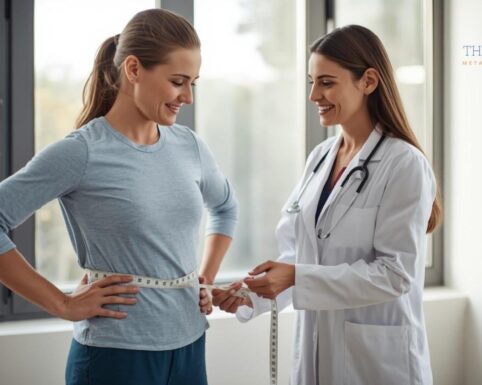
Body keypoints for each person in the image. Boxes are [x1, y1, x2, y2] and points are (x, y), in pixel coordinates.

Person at [0, 8, 238, 385]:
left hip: (190, 344)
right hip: (115, 355)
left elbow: (225, 208)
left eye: (193, 82)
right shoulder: (82, 152)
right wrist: (61, 303)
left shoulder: (189, 146)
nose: (188, 97)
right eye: (178, 81)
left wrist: (204, 278)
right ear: (133, 69)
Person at [213, 24, 441, 385]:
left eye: (327, 82)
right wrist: (251, 294)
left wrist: (296, 277)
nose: (313, 95)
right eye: (311, 82)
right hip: (316, 352)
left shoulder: (404, 163)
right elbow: (299, 254)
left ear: (368, 81)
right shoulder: (320, 157)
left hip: (377, 363)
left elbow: (396, 274)